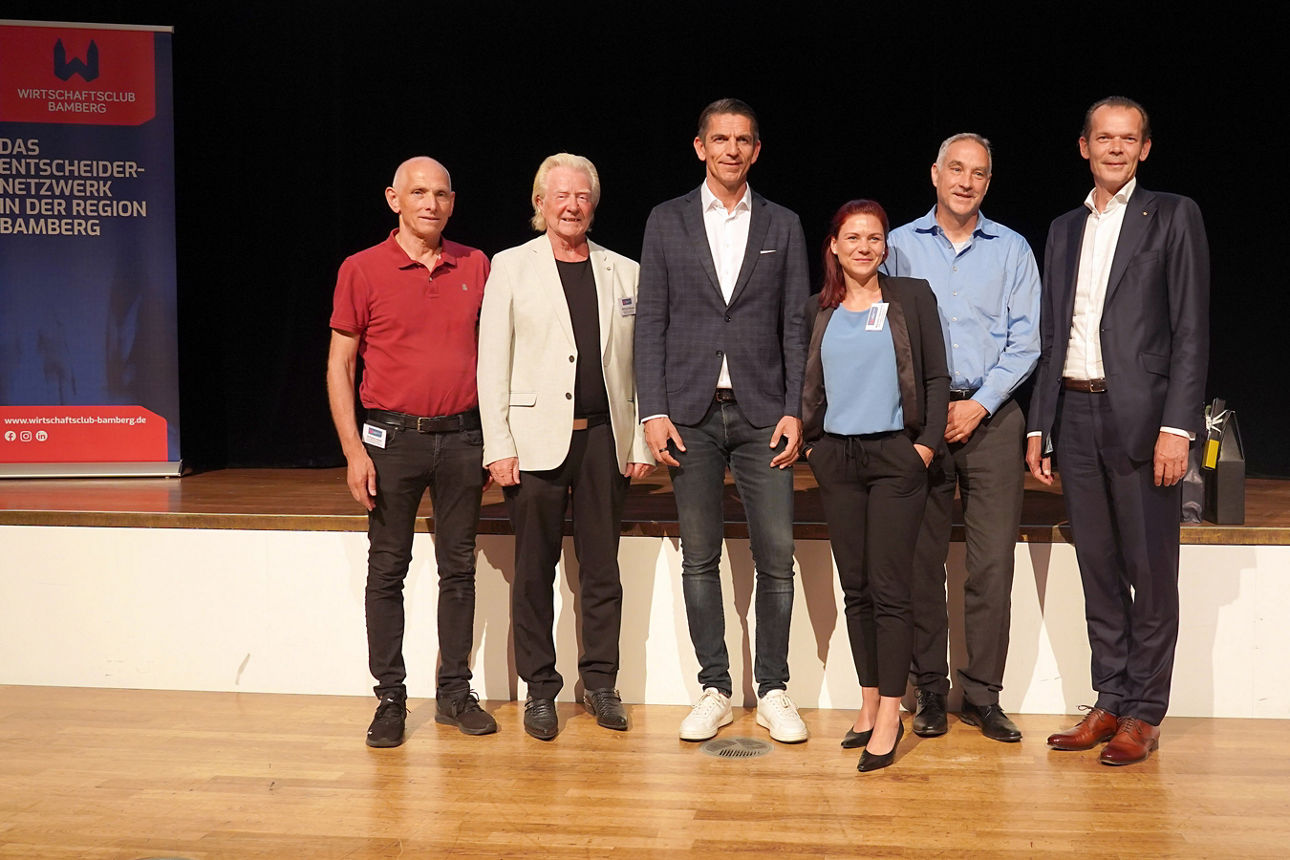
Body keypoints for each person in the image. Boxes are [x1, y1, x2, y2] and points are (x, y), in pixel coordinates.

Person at [1026, 97, 1209, 765]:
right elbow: (1053, 335)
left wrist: (1176, 428)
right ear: (1084, 146)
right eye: (1104, 137)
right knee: (1098, 568)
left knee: (1150, 573)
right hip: (1074, 415)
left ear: (1145, 148)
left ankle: (1145, 712)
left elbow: (1190, 332)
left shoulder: (1174, 215)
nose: (1116, 148)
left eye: (1128, 139)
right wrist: (1039, 423)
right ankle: (1109, 699)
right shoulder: (1064, 228)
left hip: (1142, 420)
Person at [636, 98, 810, 743]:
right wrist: (652, 410)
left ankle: (773, 689)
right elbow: (650, 322)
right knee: (699, 558)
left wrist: (796, 409)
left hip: (765, 415)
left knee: (779, 557)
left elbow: (796, 324)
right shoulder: (666, 220)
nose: (731, 149)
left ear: (756, 149)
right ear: (700, 146)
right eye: (720, 139)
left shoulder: (783, 224)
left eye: (743, 140)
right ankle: (714, 687)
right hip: (690, 416)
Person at [478, 153, 653, 741]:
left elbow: (637, 364)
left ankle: (600, 683)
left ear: (593, 205)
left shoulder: (623, 271)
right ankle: (540, 690)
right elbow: (491, 363)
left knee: (603, 567)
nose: (572, 205)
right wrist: (498, 444)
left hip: (606, 437)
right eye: (561, 196)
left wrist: (639, 441)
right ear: (540, 204)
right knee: (534, 570)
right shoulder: (509, 267)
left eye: (582, 196)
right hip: (533, 443)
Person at [327, 157, 495, 747]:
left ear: (453, 201)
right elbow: (340, 364)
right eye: (418, 192)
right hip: (391, 440)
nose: (431, 203)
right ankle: (391, 698)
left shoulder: (477, 265)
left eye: (442, 194)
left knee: (460, 569)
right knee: (387, 568)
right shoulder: (362, 269)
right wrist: (353, 451)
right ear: (393, 199)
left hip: (462, 438)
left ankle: (453, 692)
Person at [883, 134, 1040, 742]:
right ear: (934, 174)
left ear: (988, 182)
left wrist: (978, 404)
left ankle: (982, 694)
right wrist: (924, 408)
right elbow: (882, 330)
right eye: (956, 169)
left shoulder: (1013, 249)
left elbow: (1027, 340)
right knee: (921, 564)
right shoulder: (896, 247)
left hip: (993, 417)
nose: (966, 181)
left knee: (990, 564)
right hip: (918, 420)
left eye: (978, 173)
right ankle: (928, 693)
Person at [802, 200, 949, 771]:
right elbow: (805, 378)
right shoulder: (817, 308)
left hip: (896, 456)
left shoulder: (910, 297)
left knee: (891, 590)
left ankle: (891, 711)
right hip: (837, 457)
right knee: (856, 588)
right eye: (853, 237)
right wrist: (814, 443)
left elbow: (935, 375)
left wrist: (924, 447)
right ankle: (866, 704)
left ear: (885, 245)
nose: (864, 246)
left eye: (874, 237)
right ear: (834, 246)